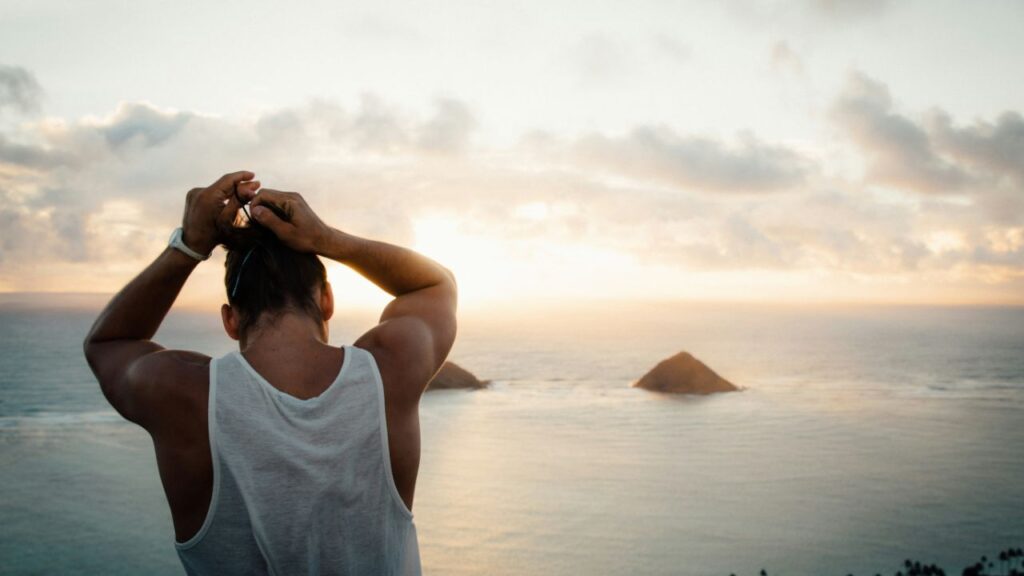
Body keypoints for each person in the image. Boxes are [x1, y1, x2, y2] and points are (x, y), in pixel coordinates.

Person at [83, 171, 457, 575]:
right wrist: (327, 239)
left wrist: (190, 245)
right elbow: (434, 286)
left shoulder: (186, 394)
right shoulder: (388, 370)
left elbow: (109, 344)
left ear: (230, 320)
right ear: (326, 300)